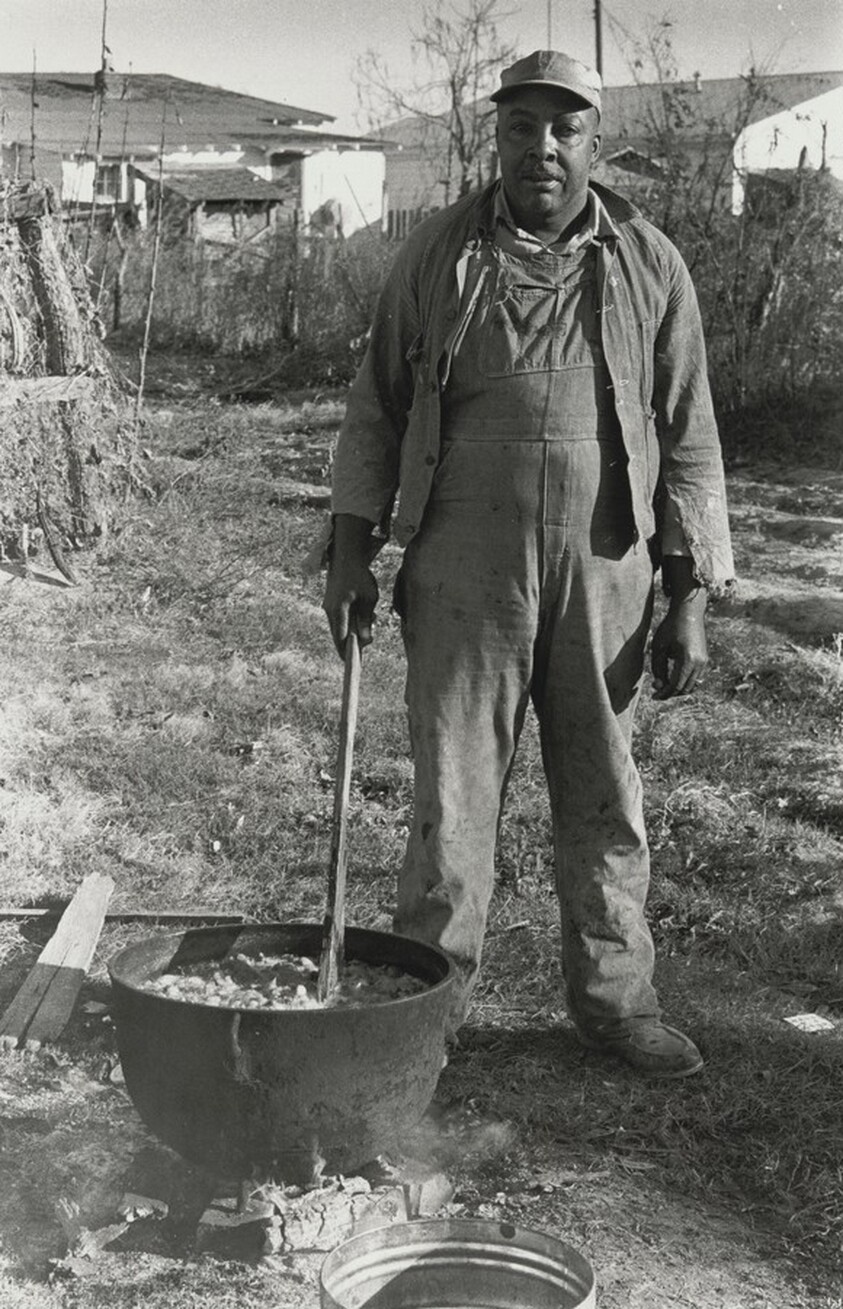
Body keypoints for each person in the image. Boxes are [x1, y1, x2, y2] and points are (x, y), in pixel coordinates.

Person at [322, 50, 734, 1079]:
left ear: (595, 140)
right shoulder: (438, 255)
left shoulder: (649, 260)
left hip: (606, 566)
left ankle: (615, 1004)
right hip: (464, 562)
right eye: (522, 128)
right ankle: (427, 1007)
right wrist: (351, 546)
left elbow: (688, 436)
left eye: (565, 129)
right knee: (452, 796)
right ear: (495, 137)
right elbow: (376, 406)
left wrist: (688, 593)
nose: (541, 149)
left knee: (604, 791)